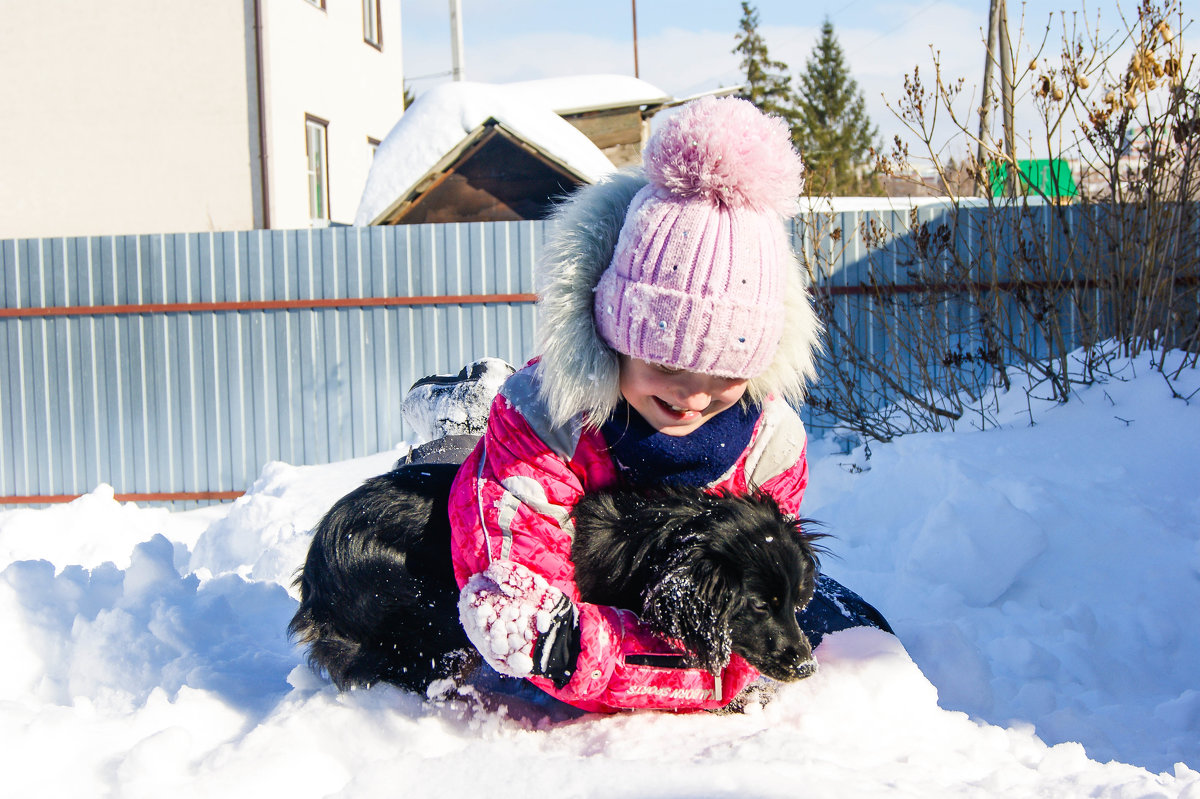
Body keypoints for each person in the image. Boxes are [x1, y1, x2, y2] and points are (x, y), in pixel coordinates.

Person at [435, 96, 890, 714]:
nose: (694, 397)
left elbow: (751, 591)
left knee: (863, 632)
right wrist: (688, 677)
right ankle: (458, 421)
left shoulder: (767, 446)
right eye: (667, 365)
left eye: (727, 373)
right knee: (447, 514)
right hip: (563, 552)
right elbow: (521, 612)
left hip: (661, 582)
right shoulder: (545, 423)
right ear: (613, 337)